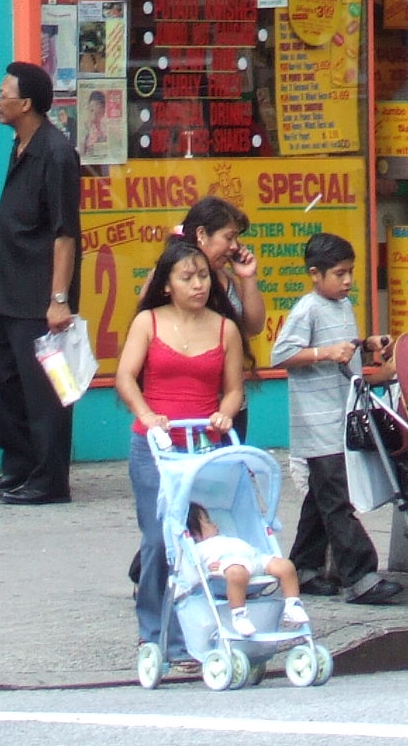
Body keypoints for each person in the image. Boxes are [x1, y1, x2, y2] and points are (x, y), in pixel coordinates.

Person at [114, 235, 247, 678]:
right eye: (187, 277)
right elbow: (125, 378)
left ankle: (201, 629)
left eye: (203, 276)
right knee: (159, 538)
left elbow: (234, 391)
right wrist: (148, 414)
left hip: (204, 447)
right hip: (155, 446)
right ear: (166, 284)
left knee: (201, 540)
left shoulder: (225, 328)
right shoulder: (148, 322)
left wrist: (224, 414)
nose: (198, 285)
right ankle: (154, 632)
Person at [269, 232, 400, 605]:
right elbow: (281, 354)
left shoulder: (342, 306)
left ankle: (305, 568)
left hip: (341, 416)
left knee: (321, 498)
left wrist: (366, 343)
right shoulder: (306, 309)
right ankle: (360, 576)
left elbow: (346, 345)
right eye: (340, 274)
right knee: (338, 499)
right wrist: (325, 352)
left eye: (350, 273)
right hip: (317, 423)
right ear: (315, 274)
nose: (347, 281)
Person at [0, 61, 82, 506]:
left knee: (46, 390)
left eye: (4, 93)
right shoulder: (21, 146)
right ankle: (18, 463)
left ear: (27, 103)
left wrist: (58, 300)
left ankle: (50, 479)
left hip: (40, 296)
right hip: (5, 289)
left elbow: (65, 233)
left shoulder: (56, 154)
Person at [184, 501, 306, 639]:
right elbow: (195, 569)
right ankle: (239, 614)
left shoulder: (223, 538)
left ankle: (292, 604)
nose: (215, 524)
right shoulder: (199, 549)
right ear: (194, 533)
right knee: (237, 573)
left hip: (255, 559)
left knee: (286, 565)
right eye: (207, 522)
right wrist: (207, 568)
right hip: (229, 563)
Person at [180, 196, 264, 336]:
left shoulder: (225, 276)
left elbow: (254, 328)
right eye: (229, 238)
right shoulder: (171, 273)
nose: (234, 246)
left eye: (236, 239)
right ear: (201, 234)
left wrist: (247, 277)